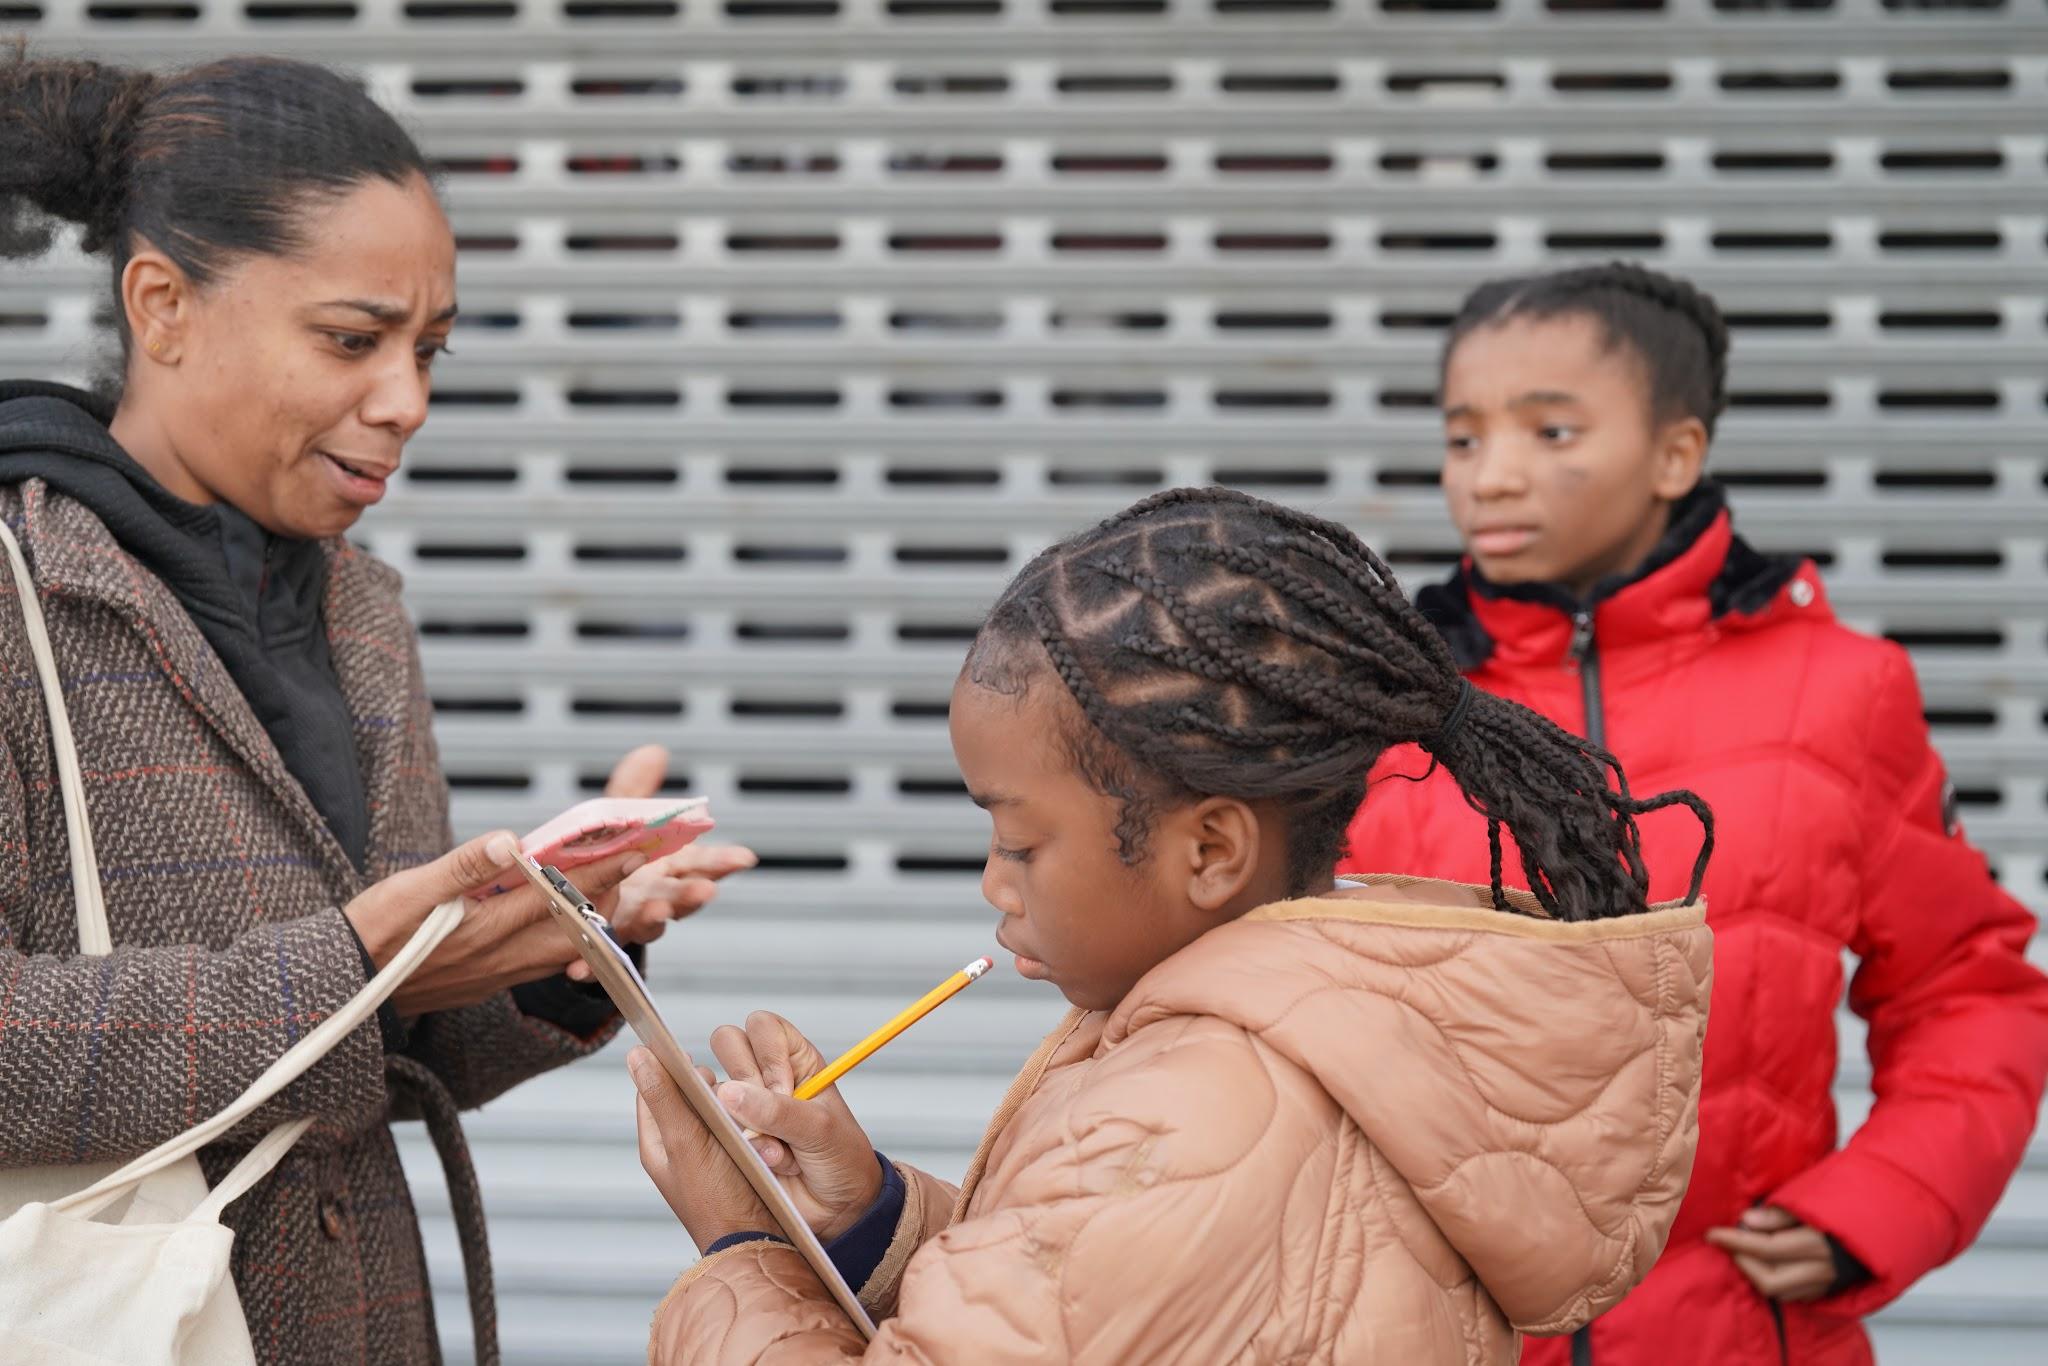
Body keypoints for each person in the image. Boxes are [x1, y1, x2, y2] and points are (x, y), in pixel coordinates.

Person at [0, 50, 754, 1364]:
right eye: (352, 340)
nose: (406, 400)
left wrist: (563, 951)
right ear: (162, 305)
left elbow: (388, 1058)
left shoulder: (356, 606)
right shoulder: (18, 592)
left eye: (430, 350)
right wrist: (346, 967)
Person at [627, 486, 1716, 1363]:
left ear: (1208, 851)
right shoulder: (1296, 1036)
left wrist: (740, 1247)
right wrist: (864, 1211)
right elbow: (1076, 1295)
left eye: (1019, 841)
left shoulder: (1198, 1111)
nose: (993, 885)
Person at [1339, 261, 2048, 1365]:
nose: (1490, 477)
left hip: (1734, 1337)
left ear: (1676, 453)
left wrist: (1880, 1200)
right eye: (1464, 437)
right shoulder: (1381, 706)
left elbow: (1967, 984)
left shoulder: (1841, 692)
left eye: (1551, 433)